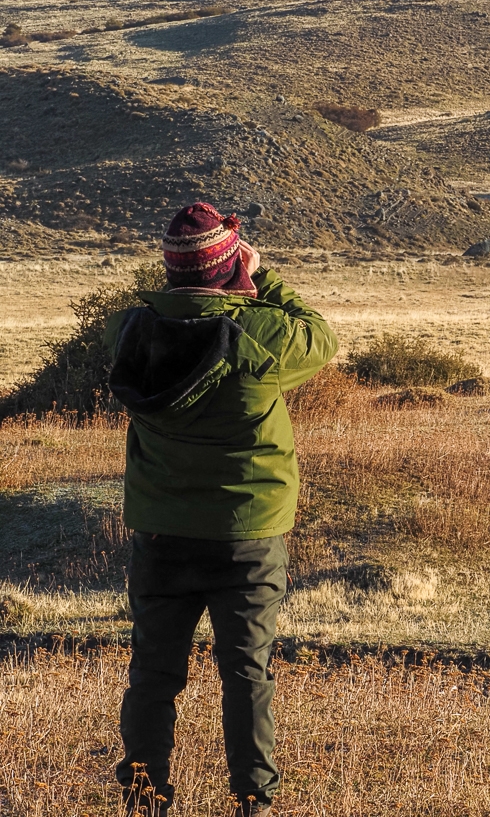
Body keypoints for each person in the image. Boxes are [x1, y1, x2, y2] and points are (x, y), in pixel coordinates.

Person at [104, 203, 338, 817]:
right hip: (249, 537)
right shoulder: (263, 333)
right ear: (231, 267)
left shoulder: (129, 330)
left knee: (154, 673)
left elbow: (155, 313)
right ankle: (253, 800)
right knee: (246, 675)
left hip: (160, 532)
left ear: (171, 268)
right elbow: (321, 335)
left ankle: (145, 798)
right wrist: (264, 280)